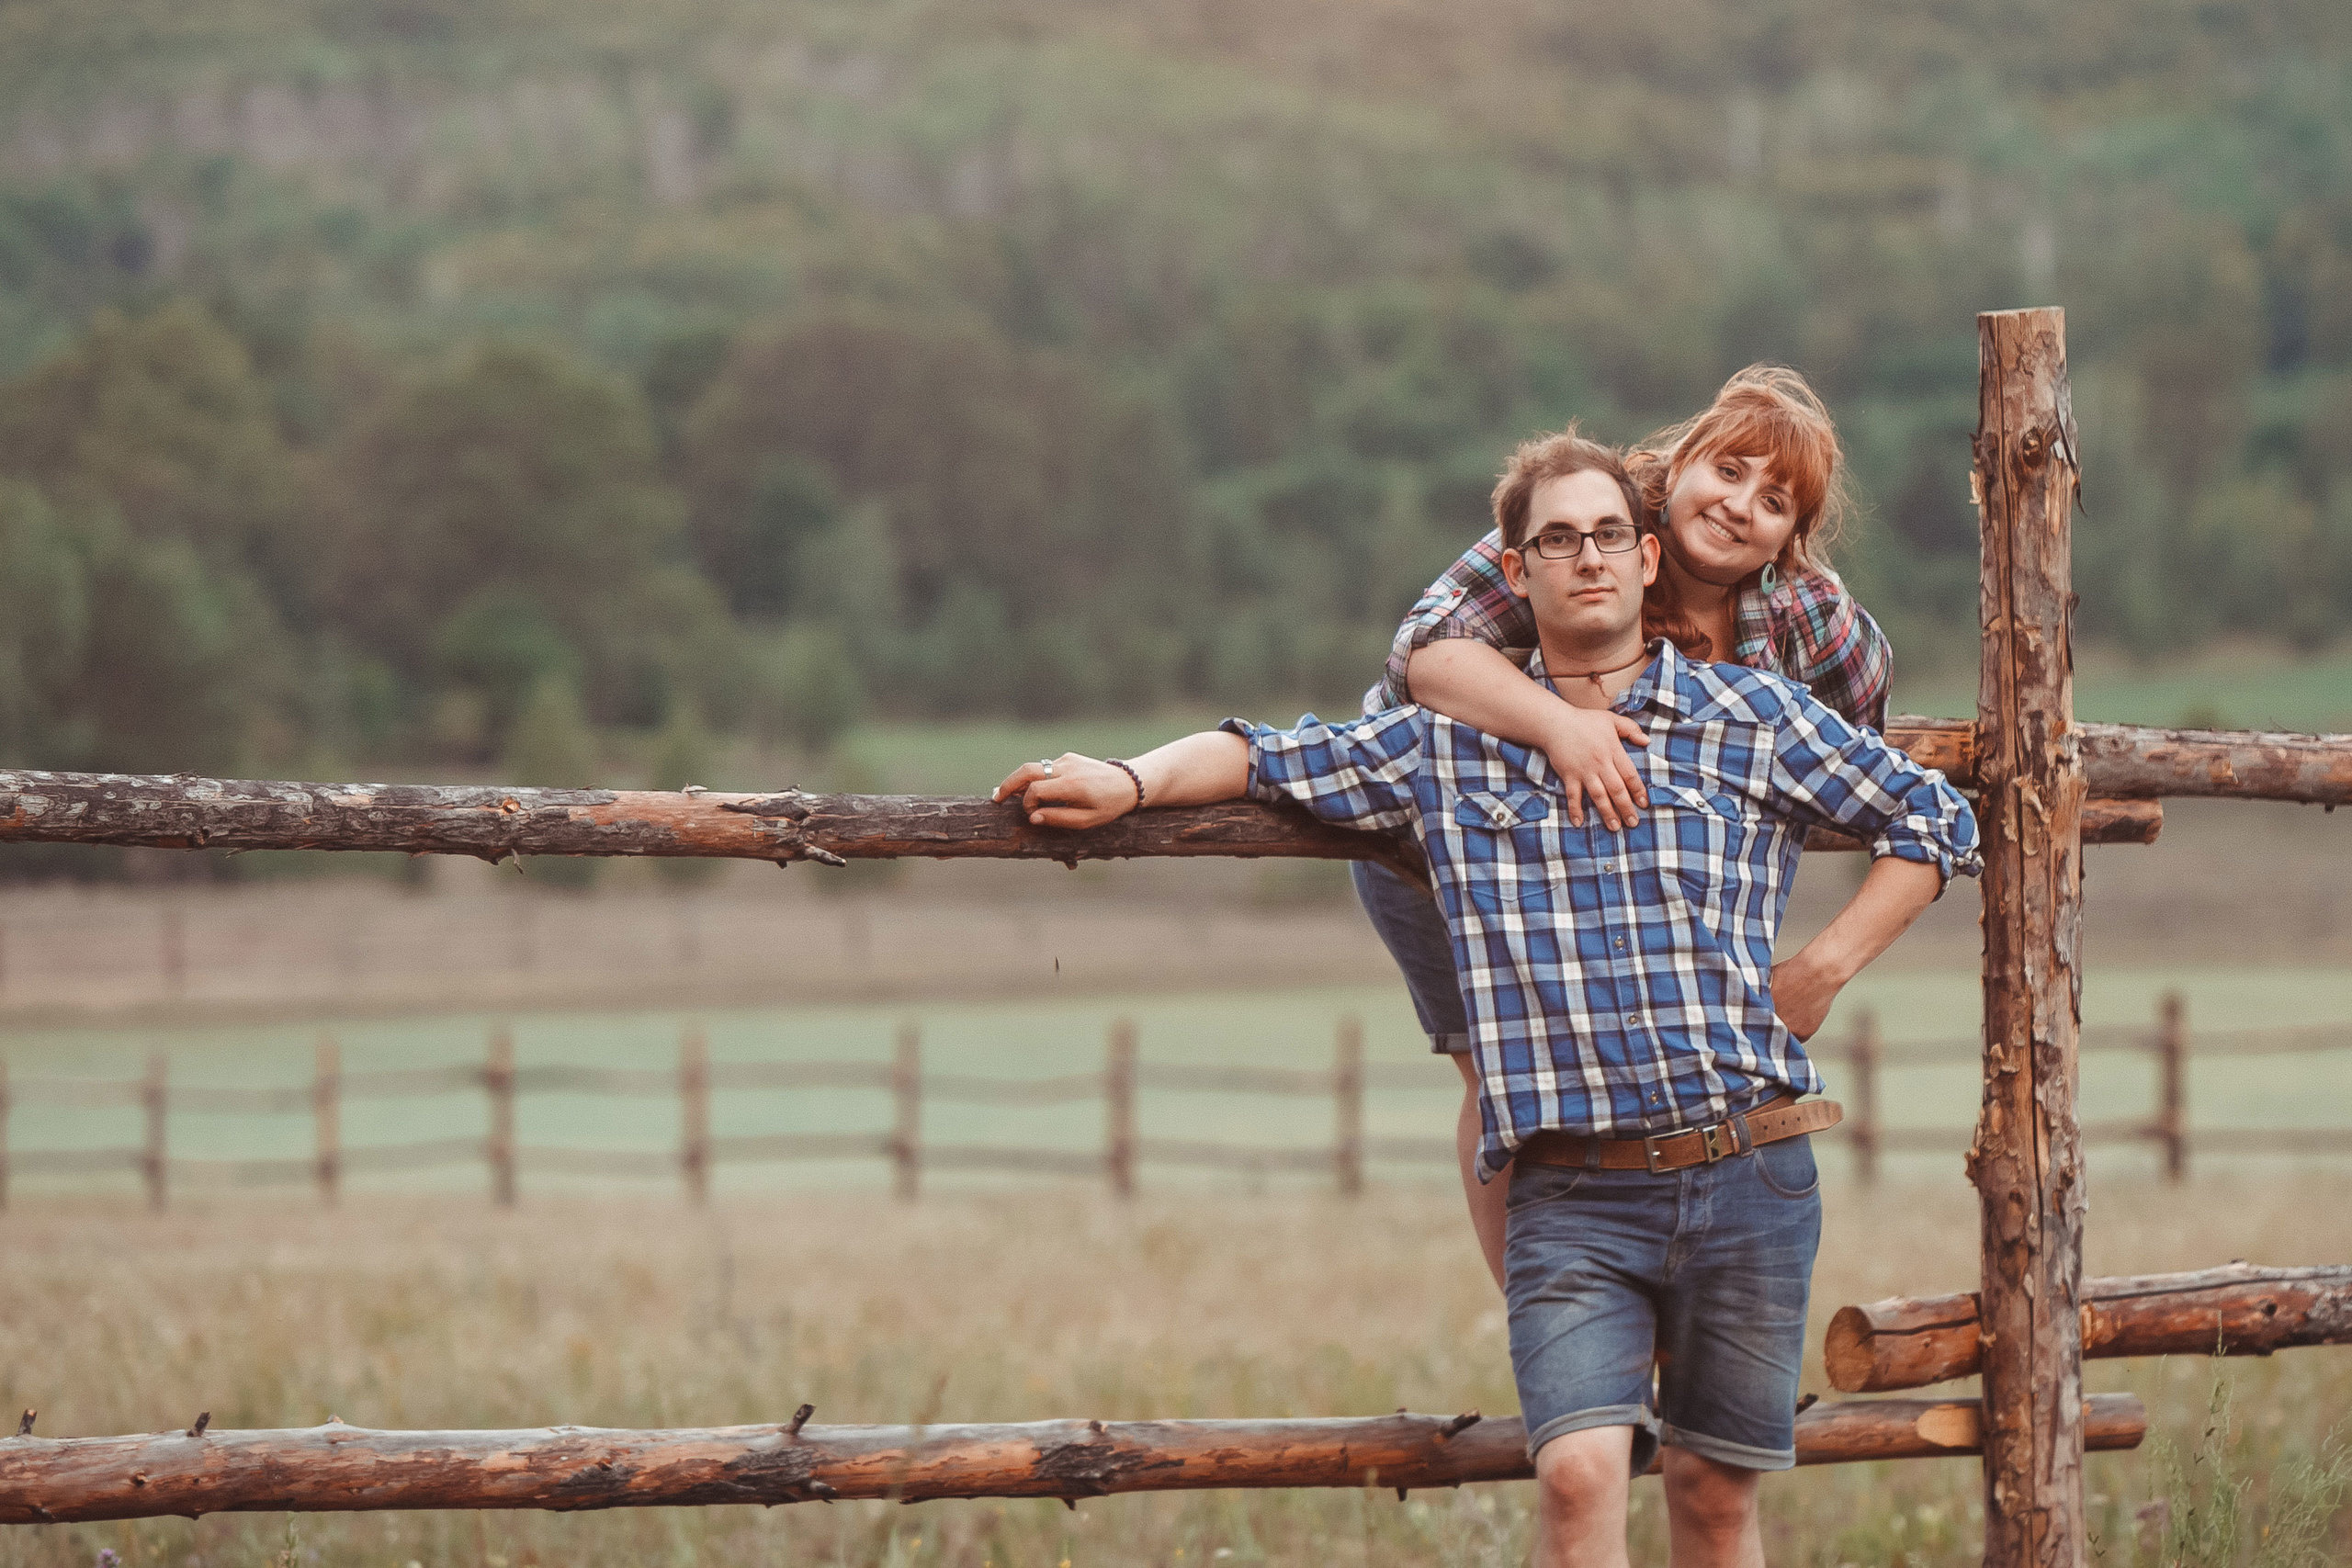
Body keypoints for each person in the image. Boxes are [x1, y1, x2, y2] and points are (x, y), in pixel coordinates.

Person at [992, 430, 1978, 1568]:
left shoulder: (1751, 714)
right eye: (1559, 542)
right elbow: (1260, 754)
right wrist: (1127, 779)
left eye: (1610, 536)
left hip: (1746, 1168)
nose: (1589, 559)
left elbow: (1932, 816)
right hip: (1567, 1185)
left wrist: (1820, 968)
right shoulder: (1443, 747)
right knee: (1576, 1473)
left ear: (1648, 560)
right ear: (1517, 574)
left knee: (1711, 1497)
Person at [1355, 366, 1893, 1292]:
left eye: (1773, 502)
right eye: (1727, 471)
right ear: (1675, 463)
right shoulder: (1585, 519)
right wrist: (1561, 725)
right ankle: (1545, 1315)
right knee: (1506, 1077)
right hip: (1454, 839)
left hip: (1634, 856)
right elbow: (1421, 659)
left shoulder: (1810, 612)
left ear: (1790, 542)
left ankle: (1667, 1325)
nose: (1737, 507)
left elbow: (1864, 740)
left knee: (1657, 1075)